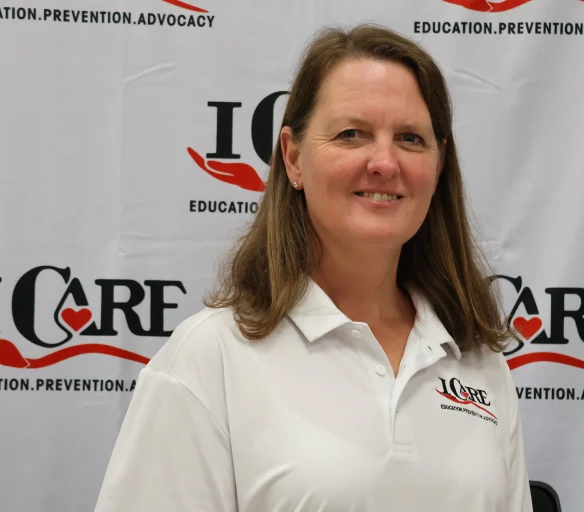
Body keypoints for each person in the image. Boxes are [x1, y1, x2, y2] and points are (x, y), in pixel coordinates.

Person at [94, 23, 533, 512]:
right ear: (293, 158)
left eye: (410, 138)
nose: (385, 162)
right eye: (352, 135)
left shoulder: (478, 359)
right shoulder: (210, 358)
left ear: (439, 165)